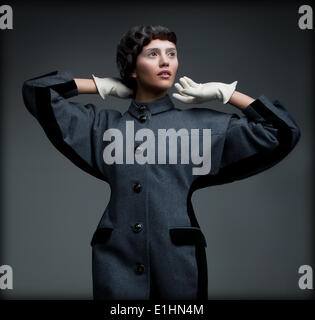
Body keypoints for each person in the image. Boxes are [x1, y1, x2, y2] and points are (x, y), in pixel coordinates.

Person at [22, 24, 301, 300]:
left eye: (172, 53)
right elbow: (37, 91)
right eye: (153, 54)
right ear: (133, 68)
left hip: (179, 265)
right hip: (115, 263)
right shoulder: (104, 129)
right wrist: (100, 86)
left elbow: (282, 131)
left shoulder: (201, 127)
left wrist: (226, 95)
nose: (166, 60)